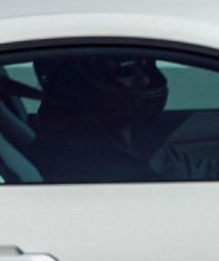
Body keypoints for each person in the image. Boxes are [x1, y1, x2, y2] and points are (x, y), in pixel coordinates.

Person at [24, 52, 169, 182]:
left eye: (144, 65)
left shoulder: (122, 134)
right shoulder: (94, 167)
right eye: (126, 68)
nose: (144, 80)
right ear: (78, 81)